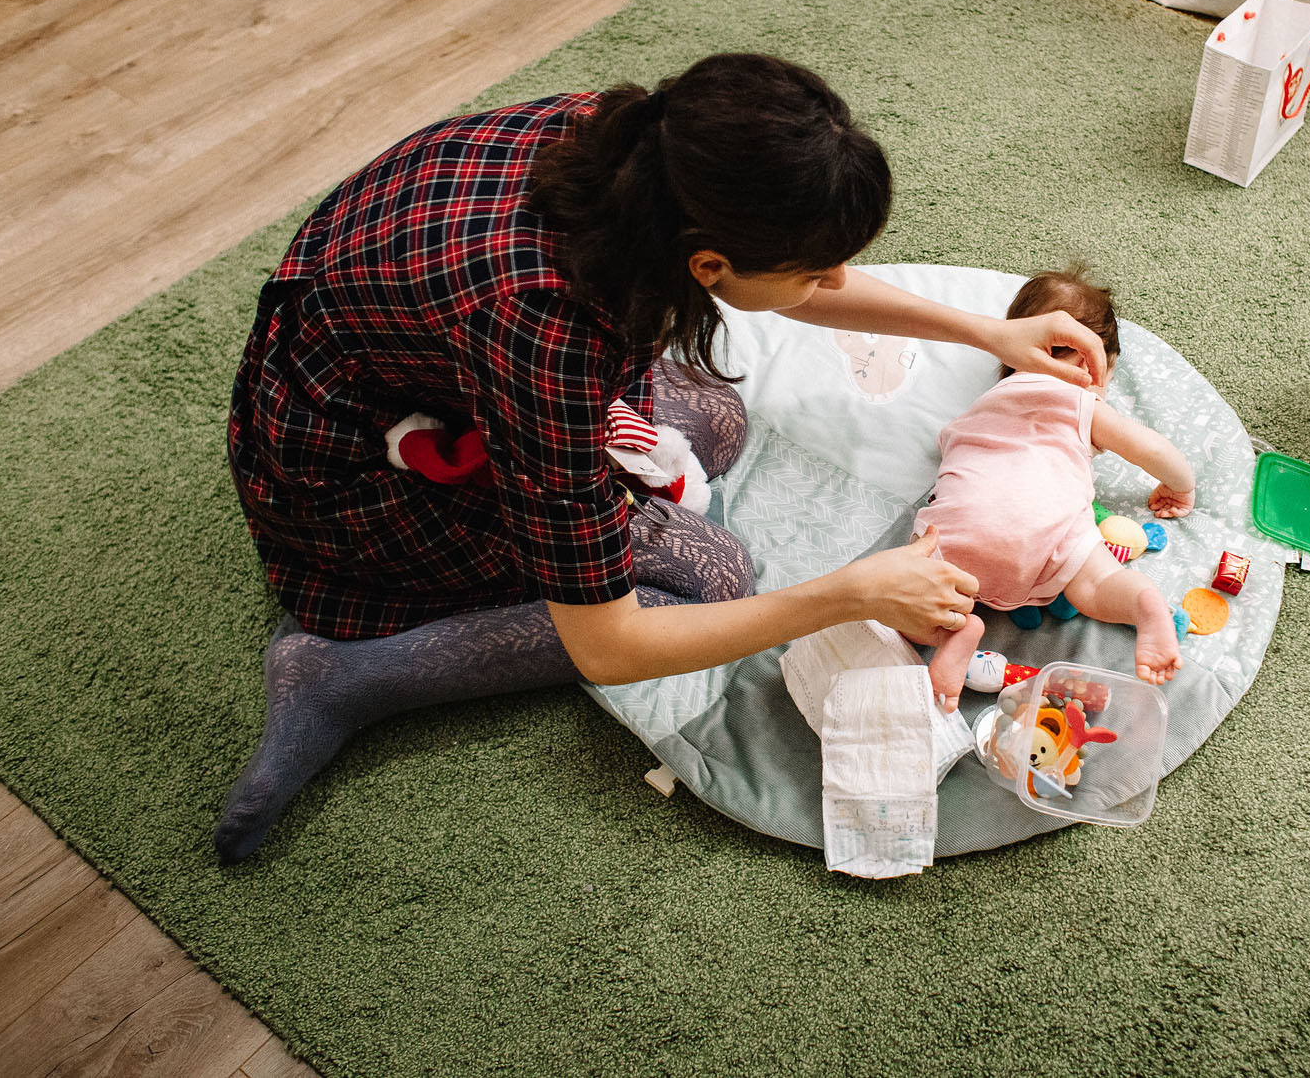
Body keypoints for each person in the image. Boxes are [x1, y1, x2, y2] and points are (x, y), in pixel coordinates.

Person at [215, 53, 1107, 862]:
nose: (832, 286)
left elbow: (780, 289)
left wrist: (989, 330)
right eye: (815, 271)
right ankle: (346, 673)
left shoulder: (640, 142)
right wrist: (850, 589)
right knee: (712, 573)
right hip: (344, 472)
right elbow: (608, 646)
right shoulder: (544, 331)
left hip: (398, 361)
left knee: (714, 418)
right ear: (708, 262)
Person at [913, 268, 1195, 709]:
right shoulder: (1081, 401)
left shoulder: (985, 402)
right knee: (1097, 585)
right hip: (1053, 535)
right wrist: (1180, 485)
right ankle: (1144, 605)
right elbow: (1153, 451)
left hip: (959, 529)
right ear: (1088, 362)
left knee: (912, 588)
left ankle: (958, 630)